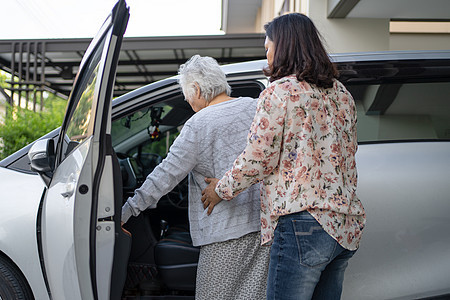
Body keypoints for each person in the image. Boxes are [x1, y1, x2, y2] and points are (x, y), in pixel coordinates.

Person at [201, 13, 366, 300]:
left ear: (284, 46)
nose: (266, 55)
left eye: (268, 48)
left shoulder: (279, 92)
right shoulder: (341, 94)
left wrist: (220, 190)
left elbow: (258, 158)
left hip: (303, 222)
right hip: (344, 225)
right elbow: (349, 156)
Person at [121, 55, 270, 300]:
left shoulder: (199, 124)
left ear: (197, 89)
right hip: (264, 229)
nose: (188, 101)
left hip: (225, 235)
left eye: (187, 95)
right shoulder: (257, 108)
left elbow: (165, 175)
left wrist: (127, 211)